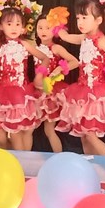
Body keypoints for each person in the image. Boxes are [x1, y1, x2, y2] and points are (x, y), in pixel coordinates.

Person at [54, 0, 105, 156]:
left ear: (98, 20)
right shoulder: (84, 38)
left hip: (96, 93)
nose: (80, 22)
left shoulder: (101, 41)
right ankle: (91, 165)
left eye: (85, 17)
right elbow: (66, 37)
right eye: (78, 18)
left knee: (90, 135)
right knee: (84, 135)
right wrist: (56, 25)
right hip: (82, 91)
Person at [0, 6, 49, 151]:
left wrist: (39, 76)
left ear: (23, 28)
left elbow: (45, 59)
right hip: (0, 93)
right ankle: (9, 154)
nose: (14, 28)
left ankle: (21, 160)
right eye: (9, 24)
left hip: (20, 94)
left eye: (18, 24)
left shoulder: (25, 45)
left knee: (17, 133)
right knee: (1, 138)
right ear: (0, 26)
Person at [32, 10, 78, 153]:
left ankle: (59, 156)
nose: (43, 31)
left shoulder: (56, 48)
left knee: (49, 130)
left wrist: (59, 68)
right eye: (40, 28)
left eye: (48, 28)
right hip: (36, 91)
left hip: (51, 92)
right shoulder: (34, 48)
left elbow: (75, 61)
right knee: (29, 128)